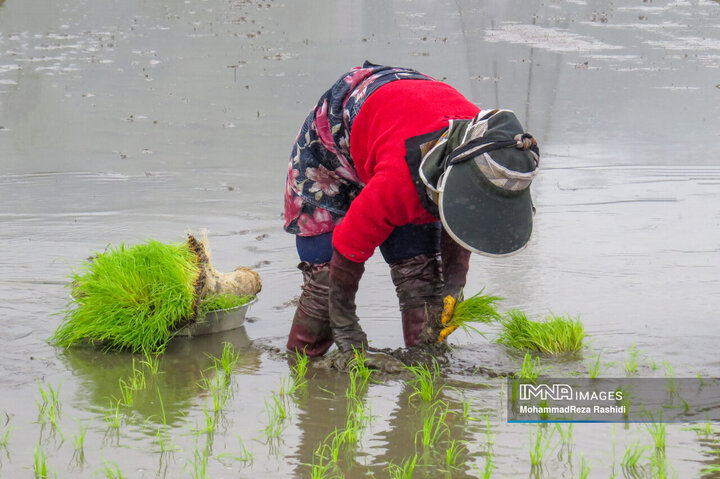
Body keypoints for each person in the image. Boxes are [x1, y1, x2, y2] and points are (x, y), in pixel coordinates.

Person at [283, 62, 539, 371]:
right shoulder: (400, 181)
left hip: (404, 125)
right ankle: (302, 373)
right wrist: (350, 338)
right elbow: (349, 245)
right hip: (338, 139)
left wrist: (454, 286)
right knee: (325, 282)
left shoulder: (491, 157)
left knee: (423, 282)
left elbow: (466, 218)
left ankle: (426, 369)